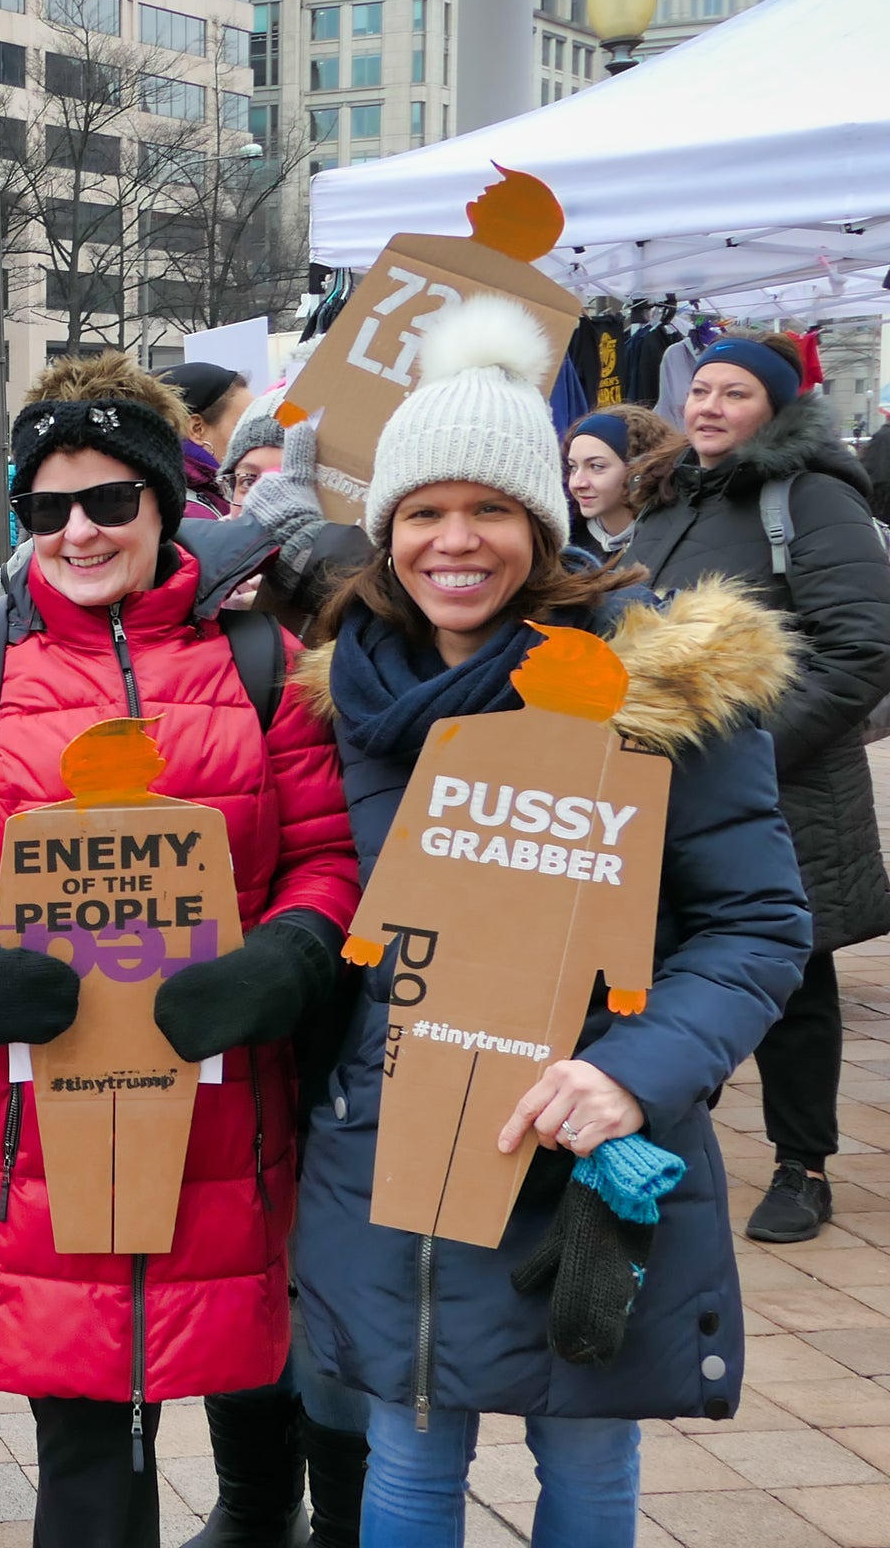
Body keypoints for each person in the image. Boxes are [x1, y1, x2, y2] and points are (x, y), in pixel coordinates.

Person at [289, 298, 813, 1542]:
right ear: (386, 531)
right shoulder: (341, 692)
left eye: (492, 511)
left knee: (585, 1463)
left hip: (584, 1140)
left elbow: (755, 922)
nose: (454, 541)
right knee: (409, 1463)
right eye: (424, 511)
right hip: (401, 1142)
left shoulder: (654, 686)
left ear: (548, 522)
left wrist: (629, 1075)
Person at [0, 356, 361, 1548]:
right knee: (84, 1445)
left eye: (109, 501)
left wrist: (289, 954)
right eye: (46, 509)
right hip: (33, 1130)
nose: (77, 531)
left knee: (254, 1377)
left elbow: (327, 855)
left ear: (162, 505)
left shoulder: (262, 664)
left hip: (222, 1116)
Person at [621, 332, 890, 1245]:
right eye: (701, 390)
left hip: (784, 786)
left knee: (793, 980)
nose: (708, 408)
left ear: (775, 408)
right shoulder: (666, 499)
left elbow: (859, 648)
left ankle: (801, 1166)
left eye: (735, 394)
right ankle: (649, 1140)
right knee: (662, 969)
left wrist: (746, 759)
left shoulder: (809, 497)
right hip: (659, 785)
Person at [564, 404, 678, 559]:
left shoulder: (672, 541)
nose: (577, 483)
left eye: (596, 467)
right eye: (573, 467)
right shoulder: (564, 546)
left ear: (639, 468)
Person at [156, 361, 251, 519]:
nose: (257, 436)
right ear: (197, 429)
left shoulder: (216, 490)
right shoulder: (191, 513)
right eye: (244, 425)